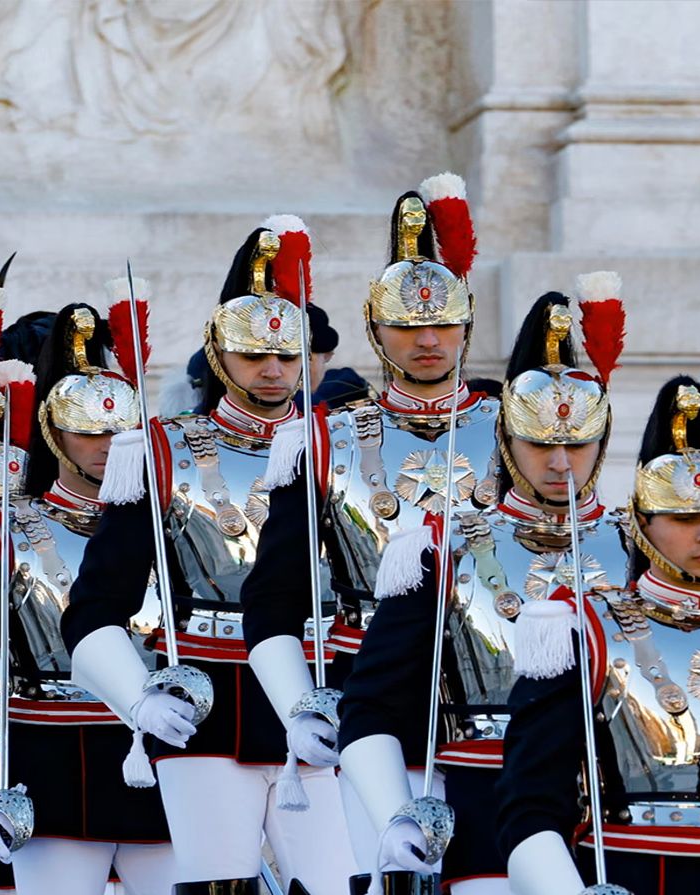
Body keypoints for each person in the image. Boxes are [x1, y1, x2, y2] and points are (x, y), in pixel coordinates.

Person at [70, 218, 357, 893]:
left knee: (344, 883)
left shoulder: (344, 448)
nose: (273, 367)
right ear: (217, 354)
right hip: (207, 701)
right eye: (254, 353)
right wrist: (138, 695)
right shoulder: (158, 449)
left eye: (286, 354)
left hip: (327, 692)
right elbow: (92, 610)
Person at [238, 174, 502, 879]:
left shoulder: (515, 428)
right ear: (375, 328)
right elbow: (272, 599)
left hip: (499, 694)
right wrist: (301, 706)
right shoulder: (319, 439)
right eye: (407, 325)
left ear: (466, 326)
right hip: (366, 685)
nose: (426, 339)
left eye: (442, 323)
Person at [338, 278, 631, 894]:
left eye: (578, 446)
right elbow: (370, 704)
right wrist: (399, 814)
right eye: (540, 445)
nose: (559, 465)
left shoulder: (641, 547)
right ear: (505, 439)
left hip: (621, 822)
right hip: (485, 804)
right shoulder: (439, 545)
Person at [497, 364, 700, 895]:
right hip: (636, 874)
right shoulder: (579, 628)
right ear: (640, 523)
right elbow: (531, 801)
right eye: (683, 519)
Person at [0, 303, 184, 894]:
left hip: (171, 760)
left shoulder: (178, 517)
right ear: (50, 429)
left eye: (118, 430)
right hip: (52, 768)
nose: (105, 444)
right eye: (87, 429)